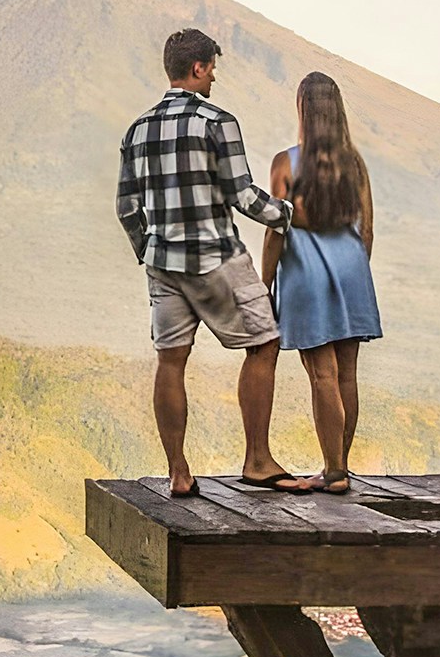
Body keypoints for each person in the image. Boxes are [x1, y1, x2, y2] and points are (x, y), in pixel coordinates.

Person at [116, 28, 307, 497]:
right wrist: (288, 215)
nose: (214, 79)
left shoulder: (136, 129)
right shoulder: (216, 121)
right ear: (198, 68)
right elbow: (240, 194)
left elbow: (125, 207)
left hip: (162, 263)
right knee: (264, 342)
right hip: (215, 255)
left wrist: (151, 251)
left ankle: (179, 472)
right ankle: (258, 460)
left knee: (171, 362)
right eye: (212, 70)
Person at [261, 72, 382, 495]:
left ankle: (333, 473)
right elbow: (367, 230)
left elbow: (276, 229)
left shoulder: (285, 163)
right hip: (352, 270)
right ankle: (339, 468)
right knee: (347, 375)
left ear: (303, 111)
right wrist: (353, 267)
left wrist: (265, 282)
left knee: (323, 376)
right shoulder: (355, 164)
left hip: (306, 273)